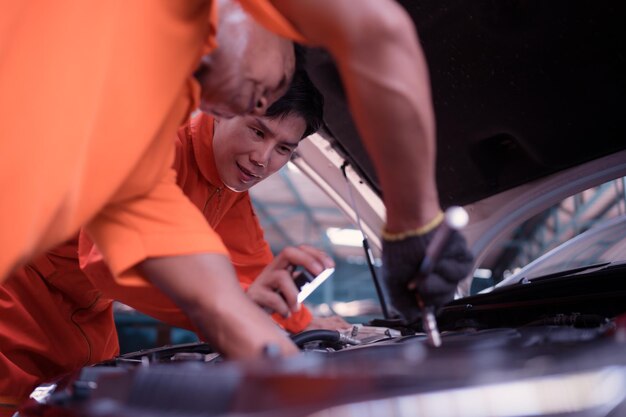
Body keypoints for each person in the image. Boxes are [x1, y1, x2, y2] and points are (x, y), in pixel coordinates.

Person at [1, 0, 472, 367]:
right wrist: (412, 226)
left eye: (285, 148)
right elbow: (373, 30)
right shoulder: (159, 112)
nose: (263, 157)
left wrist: (304, 342)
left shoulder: (149, 127)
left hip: (81, 340)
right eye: (258, 123)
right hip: (15, 320)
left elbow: (225, 293)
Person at [0, 69, 349, 414]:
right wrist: (225, 316)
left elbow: (254, 266)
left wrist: (304, 324)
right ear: (223, 109)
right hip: (17, 313)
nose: (262, 158)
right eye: (258, 131)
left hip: (87, 333)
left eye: (283, 148)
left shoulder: (226, 187)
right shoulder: (155, 147)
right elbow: (109, 259)